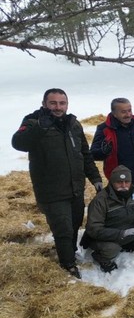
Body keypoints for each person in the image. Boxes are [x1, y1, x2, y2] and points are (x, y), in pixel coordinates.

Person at [12, 88, 103, 278]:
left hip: (75, 188)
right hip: (51, 190)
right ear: (45, 104)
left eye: (62, 103)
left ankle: (68, 253)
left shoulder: (73, 124)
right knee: (62, 229)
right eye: (53, 103)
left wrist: (95, 178)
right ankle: (68, 265)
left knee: (75, 223)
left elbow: (85, 155)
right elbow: (18, 143)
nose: (58, 107)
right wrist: (40, 128)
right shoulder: (33, 122)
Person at [84, 165, 134, 273]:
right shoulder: (101, 200)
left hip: (128, 229)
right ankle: (101, 257)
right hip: (106, 236)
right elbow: (93, 229)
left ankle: (127, 244)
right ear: (112, 182)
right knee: (112, 249)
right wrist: (120, 234)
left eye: (127, 182)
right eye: (119, 182)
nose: (124, 185)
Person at [91, 98, 134, 200]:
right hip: (121, 182)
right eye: (123, 112)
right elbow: (93, 153)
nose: (128, 114)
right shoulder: (104, 129)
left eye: (129, 110)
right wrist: (104, 151)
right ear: (114, 113)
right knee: (126, 213)